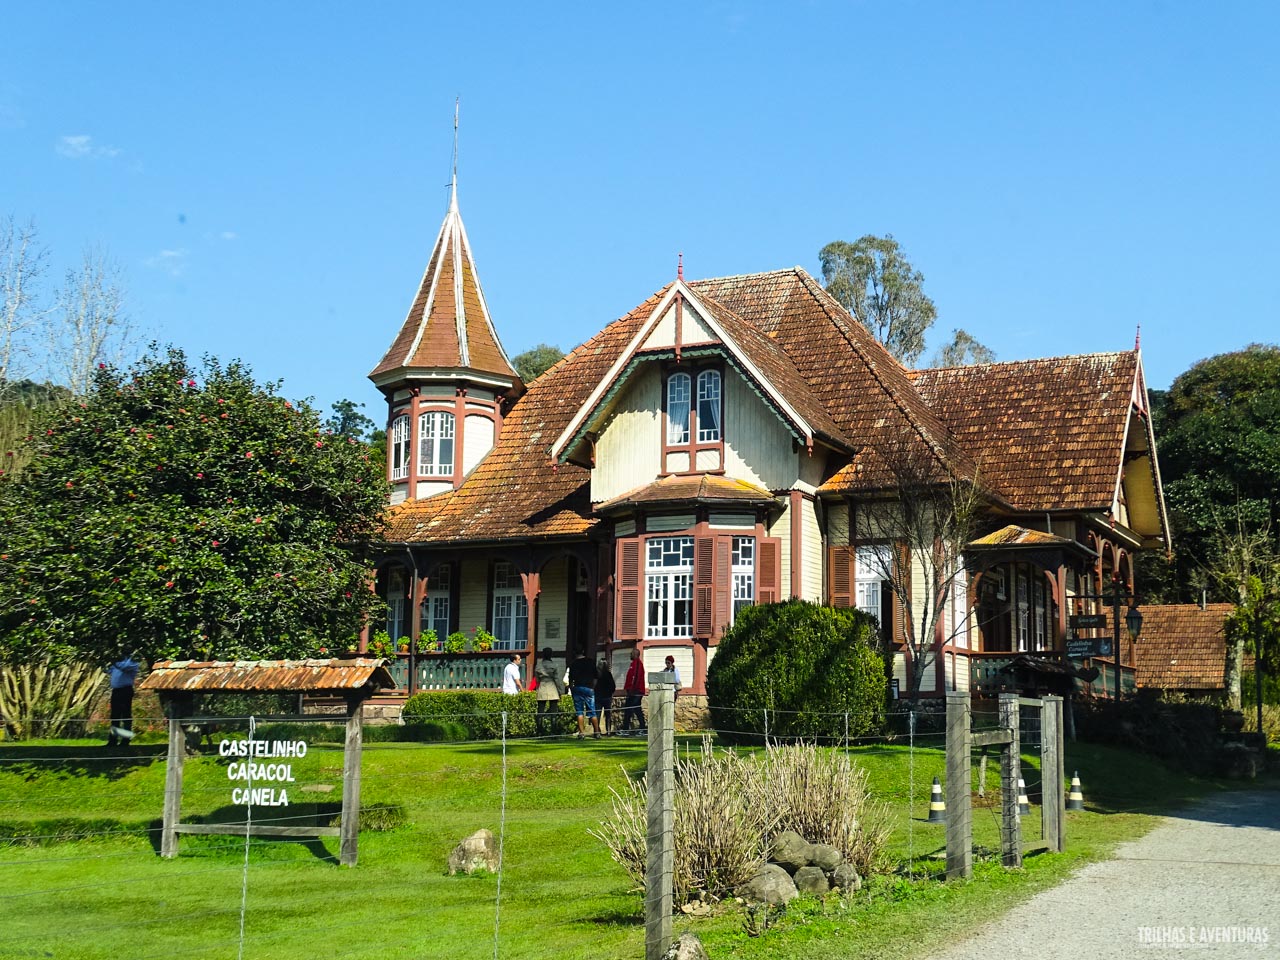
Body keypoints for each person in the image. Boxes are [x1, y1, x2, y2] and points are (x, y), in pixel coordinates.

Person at [567, 648, 602, 740]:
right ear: (583, 652)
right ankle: (597, 732)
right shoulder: (590, 662)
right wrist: (593, 687)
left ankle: (582, 733)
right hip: (589, 688)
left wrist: (572, 688)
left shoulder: (573, 664)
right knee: (592, 711)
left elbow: (570, 679)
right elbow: (596, 676)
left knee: (579, 712)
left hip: (578, 687)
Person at [106, 656, 139, 747]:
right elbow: (108, 670)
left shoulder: (133, 662)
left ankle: (125, 740)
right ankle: (113, 740)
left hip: (125, 690)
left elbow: (124, 667)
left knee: (126, 716)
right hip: (116, 691)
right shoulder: (118, 662)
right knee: (115, 716)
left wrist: (114, 662)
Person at [533, 647, 566, 736]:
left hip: (542, 686)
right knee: (553, 712)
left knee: (540, 711)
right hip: (552, 687)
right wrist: (560, 691)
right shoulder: (554, 665)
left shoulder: (538, 666)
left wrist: (538, 688)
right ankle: (553, 731)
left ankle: (539, 731)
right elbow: (557, 679)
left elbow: (537, 680)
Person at [622, 648, 647, 736]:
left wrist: (632, 690)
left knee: (635, 708)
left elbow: (635, 677)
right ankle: (625, 728)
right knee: (629, 709)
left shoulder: (637, 664)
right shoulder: (633, 664)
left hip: (636, 691)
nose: (630, 655)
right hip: (633, 691)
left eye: (632, 653)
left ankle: (643, 728)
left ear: (636, 654)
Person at [594, 659, 617, 735]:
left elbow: (594, 685)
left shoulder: (596, 675)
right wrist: (610, 693)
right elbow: (613, 686)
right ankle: (608, 731)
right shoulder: (608, 674)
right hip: (607, 697)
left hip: (598, 697)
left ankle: (596, 732)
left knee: (597, 714)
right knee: (608, 715)